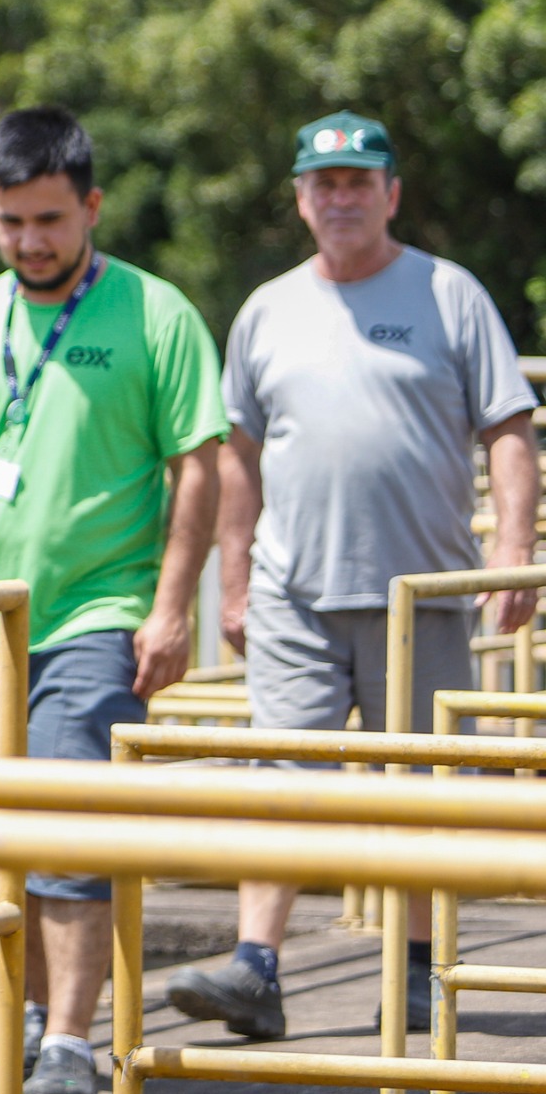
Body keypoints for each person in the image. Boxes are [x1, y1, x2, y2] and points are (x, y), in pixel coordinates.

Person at [0, 105, 225, 1094]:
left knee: (73, 826)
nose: (31, 241)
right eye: (11, 220)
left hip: (95, 611)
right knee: (2, 835)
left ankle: (71, 1036)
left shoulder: (155, 314)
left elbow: (195, 465)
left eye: (51, 220)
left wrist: (169, 607)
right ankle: (24, 1017)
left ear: (91, 207)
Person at [166, 113, 539, 1041]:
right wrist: (236, 580)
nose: (340, 198)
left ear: (390, 194)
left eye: (358, 182)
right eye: (323, 184)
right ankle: (256, 967)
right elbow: (239, 454)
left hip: (423, 590)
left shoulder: (448, 293)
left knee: (420, 789)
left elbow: (508, 430)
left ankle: (418, 969)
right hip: (296, 590)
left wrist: (513, 549)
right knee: (283, 779)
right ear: (299, 198)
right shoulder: (267, 309)